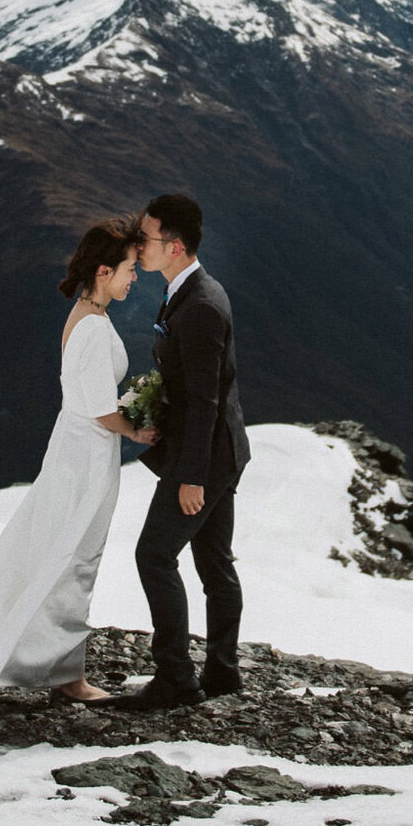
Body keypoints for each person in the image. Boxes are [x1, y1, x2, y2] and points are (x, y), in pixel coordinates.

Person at [0, 217, 158, 699]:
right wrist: (140, 430)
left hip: (74, 449)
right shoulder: (93, 328)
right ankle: (67, 677)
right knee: (75, 557)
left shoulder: (87, 313)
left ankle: (52, 662)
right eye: (129, 268)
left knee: (62, 550)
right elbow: (99, 410)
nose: (135, 277)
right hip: (87, 458)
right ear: (103, 271)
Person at [102, 192, 251, 713]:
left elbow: (206, 398)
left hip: (206, 457)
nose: (138, 246)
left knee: (154, 555)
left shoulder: (201, 305)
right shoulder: (191, 291)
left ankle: (176, 680)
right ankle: (222, 674)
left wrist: (191, 477)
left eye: (146, 238)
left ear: (176, 246)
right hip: (221, 451)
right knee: (214, 563)